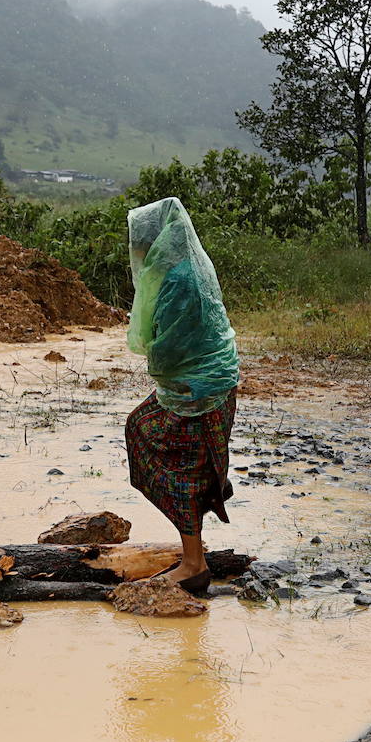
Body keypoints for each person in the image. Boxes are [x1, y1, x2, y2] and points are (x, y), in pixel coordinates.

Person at [123, 198, 241, 594]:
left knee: (169, 460)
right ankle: (194, 553)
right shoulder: (185, 268)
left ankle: (193, 562)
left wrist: (158, 362)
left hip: (200, 390)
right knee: (181, 461)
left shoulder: (178, 280)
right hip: (210, 384)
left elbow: (171, 344)